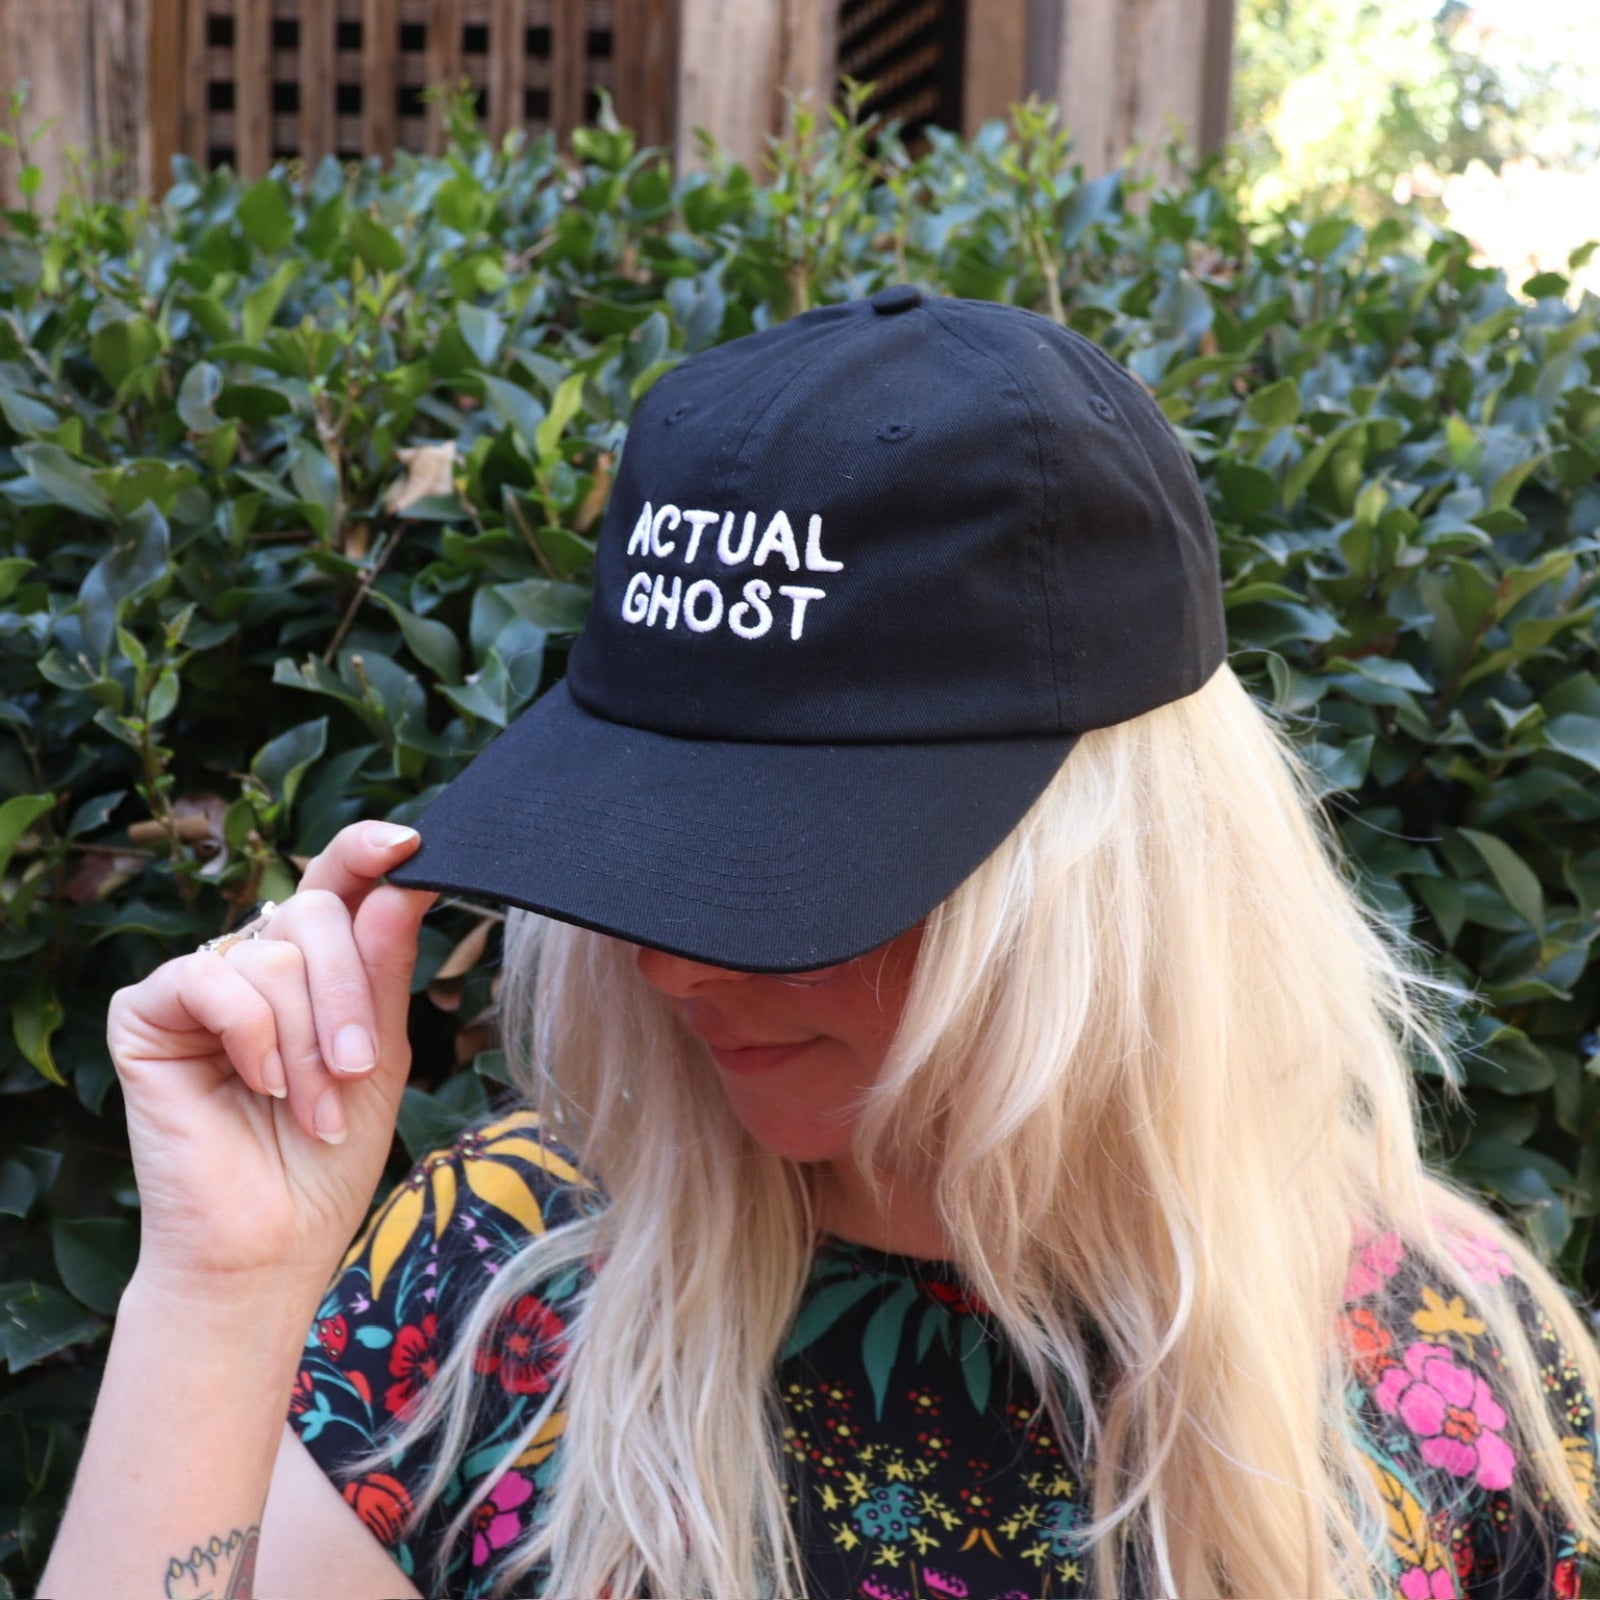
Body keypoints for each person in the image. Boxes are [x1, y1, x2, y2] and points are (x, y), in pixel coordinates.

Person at [40, 289, 1600, 1600]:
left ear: (1102, 884)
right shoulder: (500, 1283)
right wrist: (219, 1295)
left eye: (788, 881)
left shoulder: (1448, 1377)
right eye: (648, 849)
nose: (670, 967)